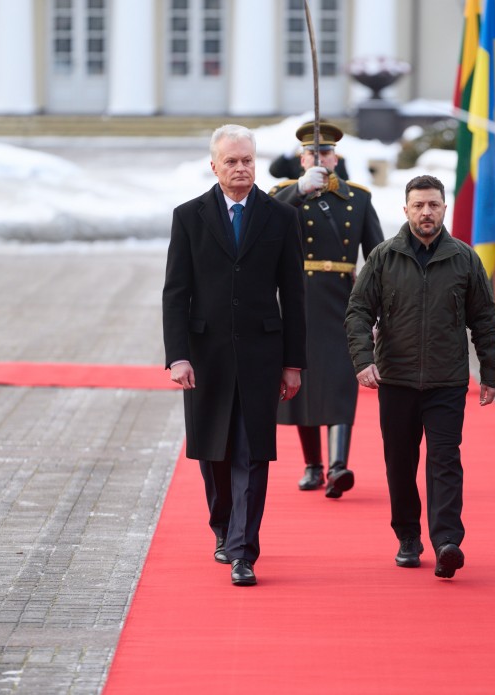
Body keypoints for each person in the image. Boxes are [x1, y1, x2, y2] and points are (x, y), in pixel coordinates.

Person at [162, 124, 307, 587]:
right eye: (231, 161)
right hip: (206, 358)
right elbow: (175, 293)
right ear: (214, 166)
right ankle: (223, 527)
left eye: (247, 160)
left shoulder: (280, 217)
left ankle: (244, 550)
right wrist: (177, 356)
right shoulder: (189, 217)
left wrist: (293, 363)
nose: (241, 168)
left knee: (252, 452)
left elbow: (294, 296)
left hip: (262, 356)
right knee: (215, 454)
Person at [345, 174, 495, 579]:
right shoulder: (384, 256)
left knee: (445, 460)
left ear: (444, 208)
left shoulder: (464, 258)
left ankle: (447, 541)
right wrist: (363, 360)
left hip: (446, 381)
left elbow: (484, 319)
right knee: (400, 462)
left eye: (433, 205)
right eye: (418, 205)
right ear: (406, 210)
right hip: (395, 380)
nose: (426, 212)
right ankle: (408, 536)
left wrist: (490, 371)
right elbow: (358, 311)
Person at [271, 121, 384, 498]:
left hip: (342, 301)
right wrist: (299, 191)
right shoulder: (285, 195)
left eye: (325, 153)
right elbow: (264, 222)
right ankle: (313, 465)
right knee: (300, 380)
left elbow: (377, 257)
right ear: (301, 160)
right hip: (296, 298)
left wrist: (379, 306)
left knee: (338, 380)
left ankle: (337, 466)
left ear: (336, 158)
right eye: (312, 154)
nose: (319, 159)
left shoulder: (358, 198)